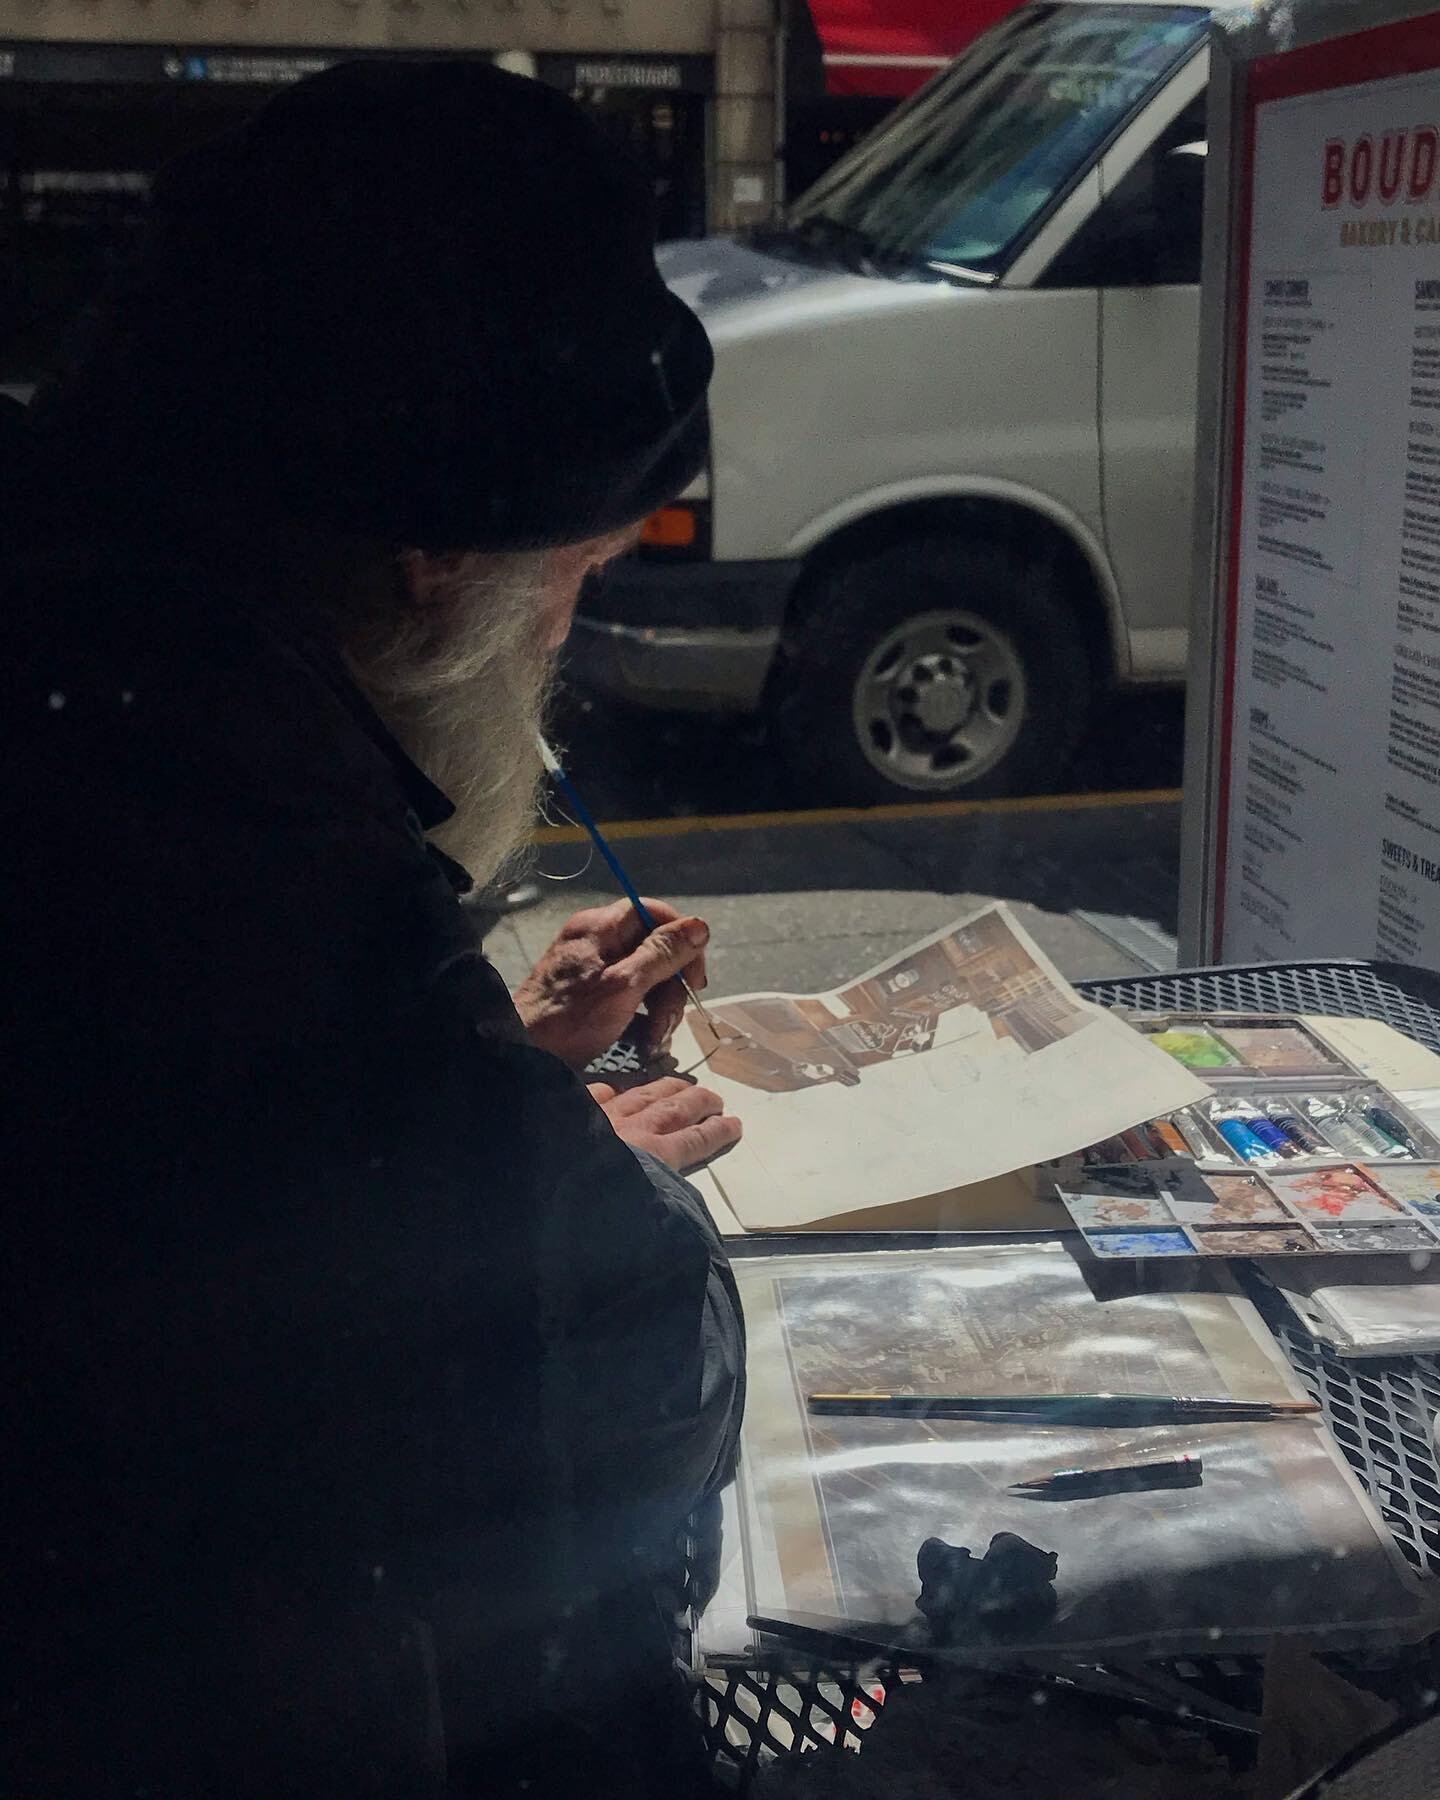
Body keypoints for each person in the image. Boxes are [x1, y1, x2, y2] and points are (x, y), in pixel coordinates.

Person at [3, 61, 745, 1799]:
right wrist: (561, 1158)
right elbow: (606, 1369)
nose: (572, 622)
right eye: (583, 565)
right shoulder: (187, 821)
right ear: (436, 551)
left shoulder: (109, 638)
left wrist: (497, 1064)